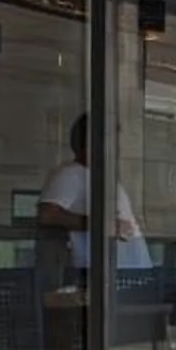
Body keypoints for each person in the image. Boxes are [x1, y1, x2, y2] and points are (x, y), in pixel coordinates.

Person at [35, 114, 152, 280]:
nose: (116, 147)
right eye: (111, 139)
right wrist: (101, 224)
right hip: (103, 277)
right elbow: (47, 215)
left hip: (127, 271)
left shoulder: (99, 176)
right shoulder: (69, 174)